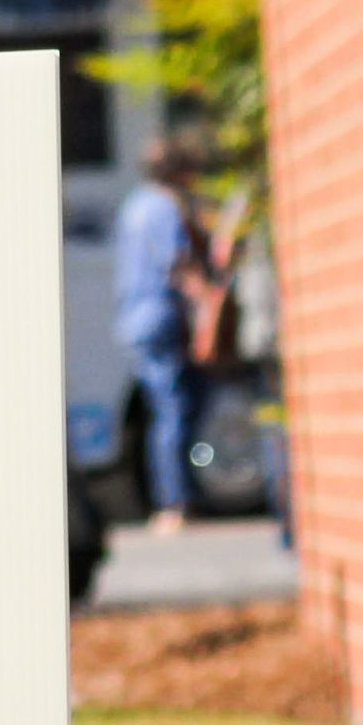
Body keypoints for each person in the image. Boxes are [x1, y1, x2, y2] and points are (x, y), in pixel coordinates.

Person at [111, 136, 226, 537]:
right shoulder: (164, 208)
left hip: (136, 318)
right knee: (175, 410)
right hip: (162, 317)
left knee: (168, 408)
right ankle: (175, 502)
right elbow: (180, 266)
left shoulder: (134, 206)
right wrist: (210, 308)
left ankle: (177, 498)